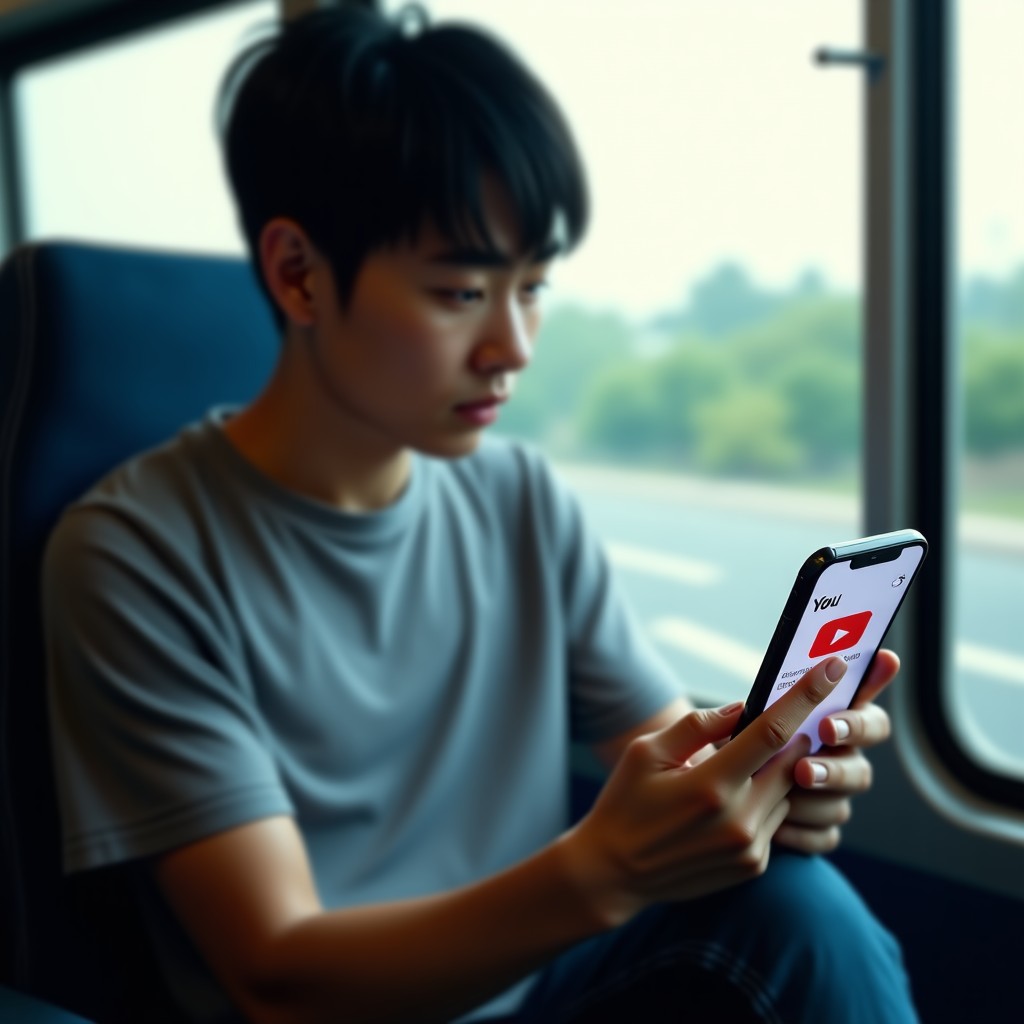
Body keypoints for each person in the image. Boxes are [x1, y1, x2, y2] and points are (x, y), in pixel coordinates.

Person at [42, 3, 919, 1022]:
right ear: (298, 274)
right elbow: (276, 972)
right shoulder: (134, 553)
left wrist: (751, 784)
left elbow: (661, 740)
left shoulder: (520, 497)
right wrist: (603, 869)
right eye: (462, 292)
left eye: (533, 287)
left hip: (537, 989)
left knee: (791, 903)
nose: (514, 345)